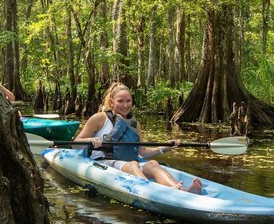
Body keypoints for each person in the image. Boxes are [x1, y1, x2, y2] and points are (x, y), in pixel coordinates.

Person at [74, 82, 202, 193]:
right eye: (120, 101)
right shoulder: (100, 118)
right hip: (103, 162)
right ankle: (155, 191)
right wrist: (89, 140)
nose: (125, 105)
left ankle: (180, 190)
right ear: (111, 102)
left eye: (128, 101)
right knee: (133, 164)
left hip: (126, 162)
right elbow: (76, 143)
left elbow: (142, 152)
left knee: (153, 164)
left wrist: (165, 147)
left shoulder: (135, 124)